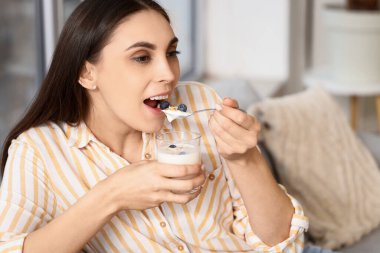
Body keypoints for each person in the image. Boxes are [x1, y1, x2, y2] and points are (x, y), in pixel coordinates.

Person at [0, 0, 308, 252]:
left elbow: (282, 242)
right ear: (87, 74)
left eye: (171, 53)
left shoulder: (198, 104)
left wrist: (245, 158)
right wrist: (112, 195)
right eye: (142, 57)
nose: (168, 74)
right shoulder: (40, 152)